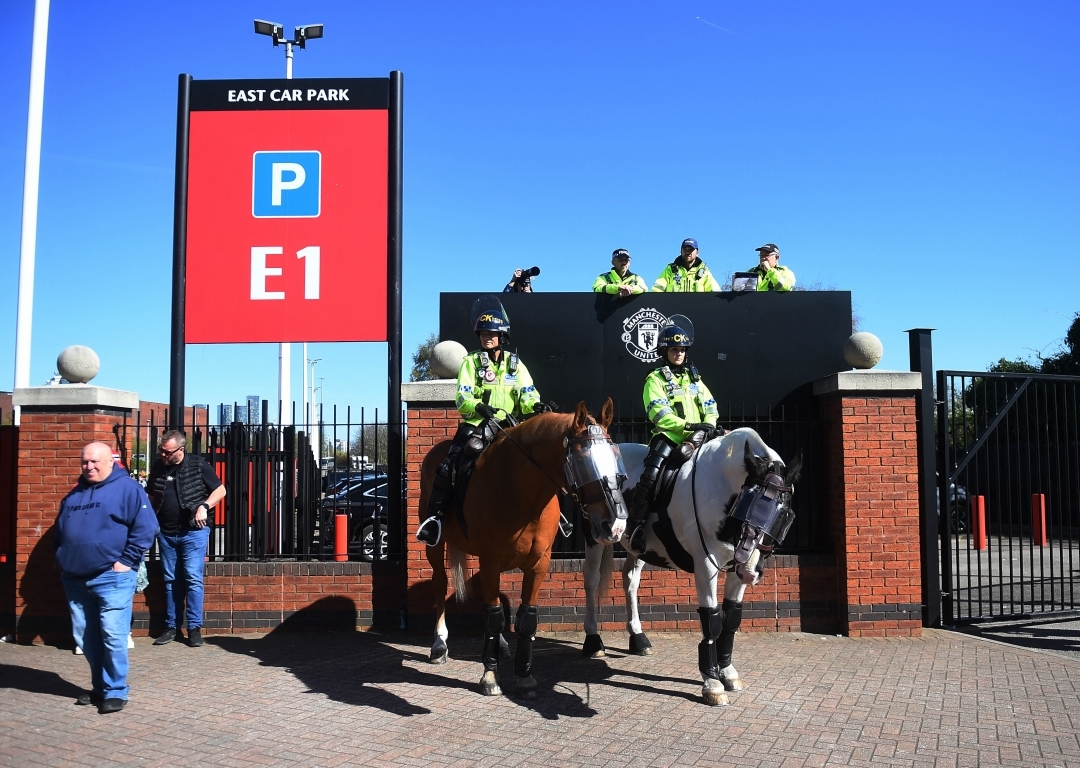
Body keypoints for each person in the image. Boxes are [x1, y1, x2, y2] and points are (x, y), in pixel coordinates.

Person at [416, 296, 549, 546]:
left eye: (492, 333)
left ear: (503, 336)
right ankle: (434, 519)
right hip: (477, 423)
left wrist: (536, 405)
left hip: (510, 426)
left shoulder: (515, 364)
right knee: (449, 464)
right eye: (483, 333)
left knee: (538, 461)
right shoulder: (471, 361)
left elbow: (528, 394)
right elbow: (462, 395)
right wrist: (478, 406)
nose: (487, 337)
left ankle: (553, 516)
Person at [54, 442, 157, 713]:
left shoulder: (128, 489)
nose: (89, 466)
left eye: (95, 461)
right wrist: (62, 559)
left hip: (111, 577)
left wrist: (126, 562)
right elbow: (60, 532)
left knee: (112, 633)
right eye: (85, 462)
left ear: (110, 462)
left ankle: (115, 690)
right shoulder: (74, 495)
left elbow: (146, 528)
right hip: (75, 578)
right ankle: (100, 687)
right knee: (85, 637)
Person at [626, 315, 722, 554]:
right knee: (649, 476)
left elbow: (711, 405)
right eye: (673, 349)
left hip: (700, 438)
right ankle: (635, 528)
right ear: (664, 351)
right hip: (668, 439)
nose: (678, 353)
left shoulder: (695, 378)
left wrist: (708, 424)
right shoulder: (655, 379)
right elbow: (659, 414)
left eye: (682, 349)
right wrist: (691, 426)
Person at [146, 430, 226, 648]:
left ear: (180, 450)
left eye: (167, 451)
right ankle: (171, 626)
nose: (163, 454)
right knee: (171, 579)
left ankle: (194, 628)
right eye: (161, 450)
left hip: (193, 531)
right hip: (166, 532)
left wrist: (204, 506)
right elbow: (152, 496)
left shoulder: (198, 465)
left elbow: (220, 490)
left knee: (192, 577)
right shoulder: (158, 467)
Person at [651, 238, 719, 293]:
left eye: (690, 250)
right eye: (685, 249)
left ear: (697, 252)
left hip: (698, 309)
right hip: (673, 309)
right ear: (681, 251)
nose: (687, 252)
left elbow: (715, 295)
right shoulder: (670, 270)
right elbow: (657, 290)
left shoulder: (704, 272)